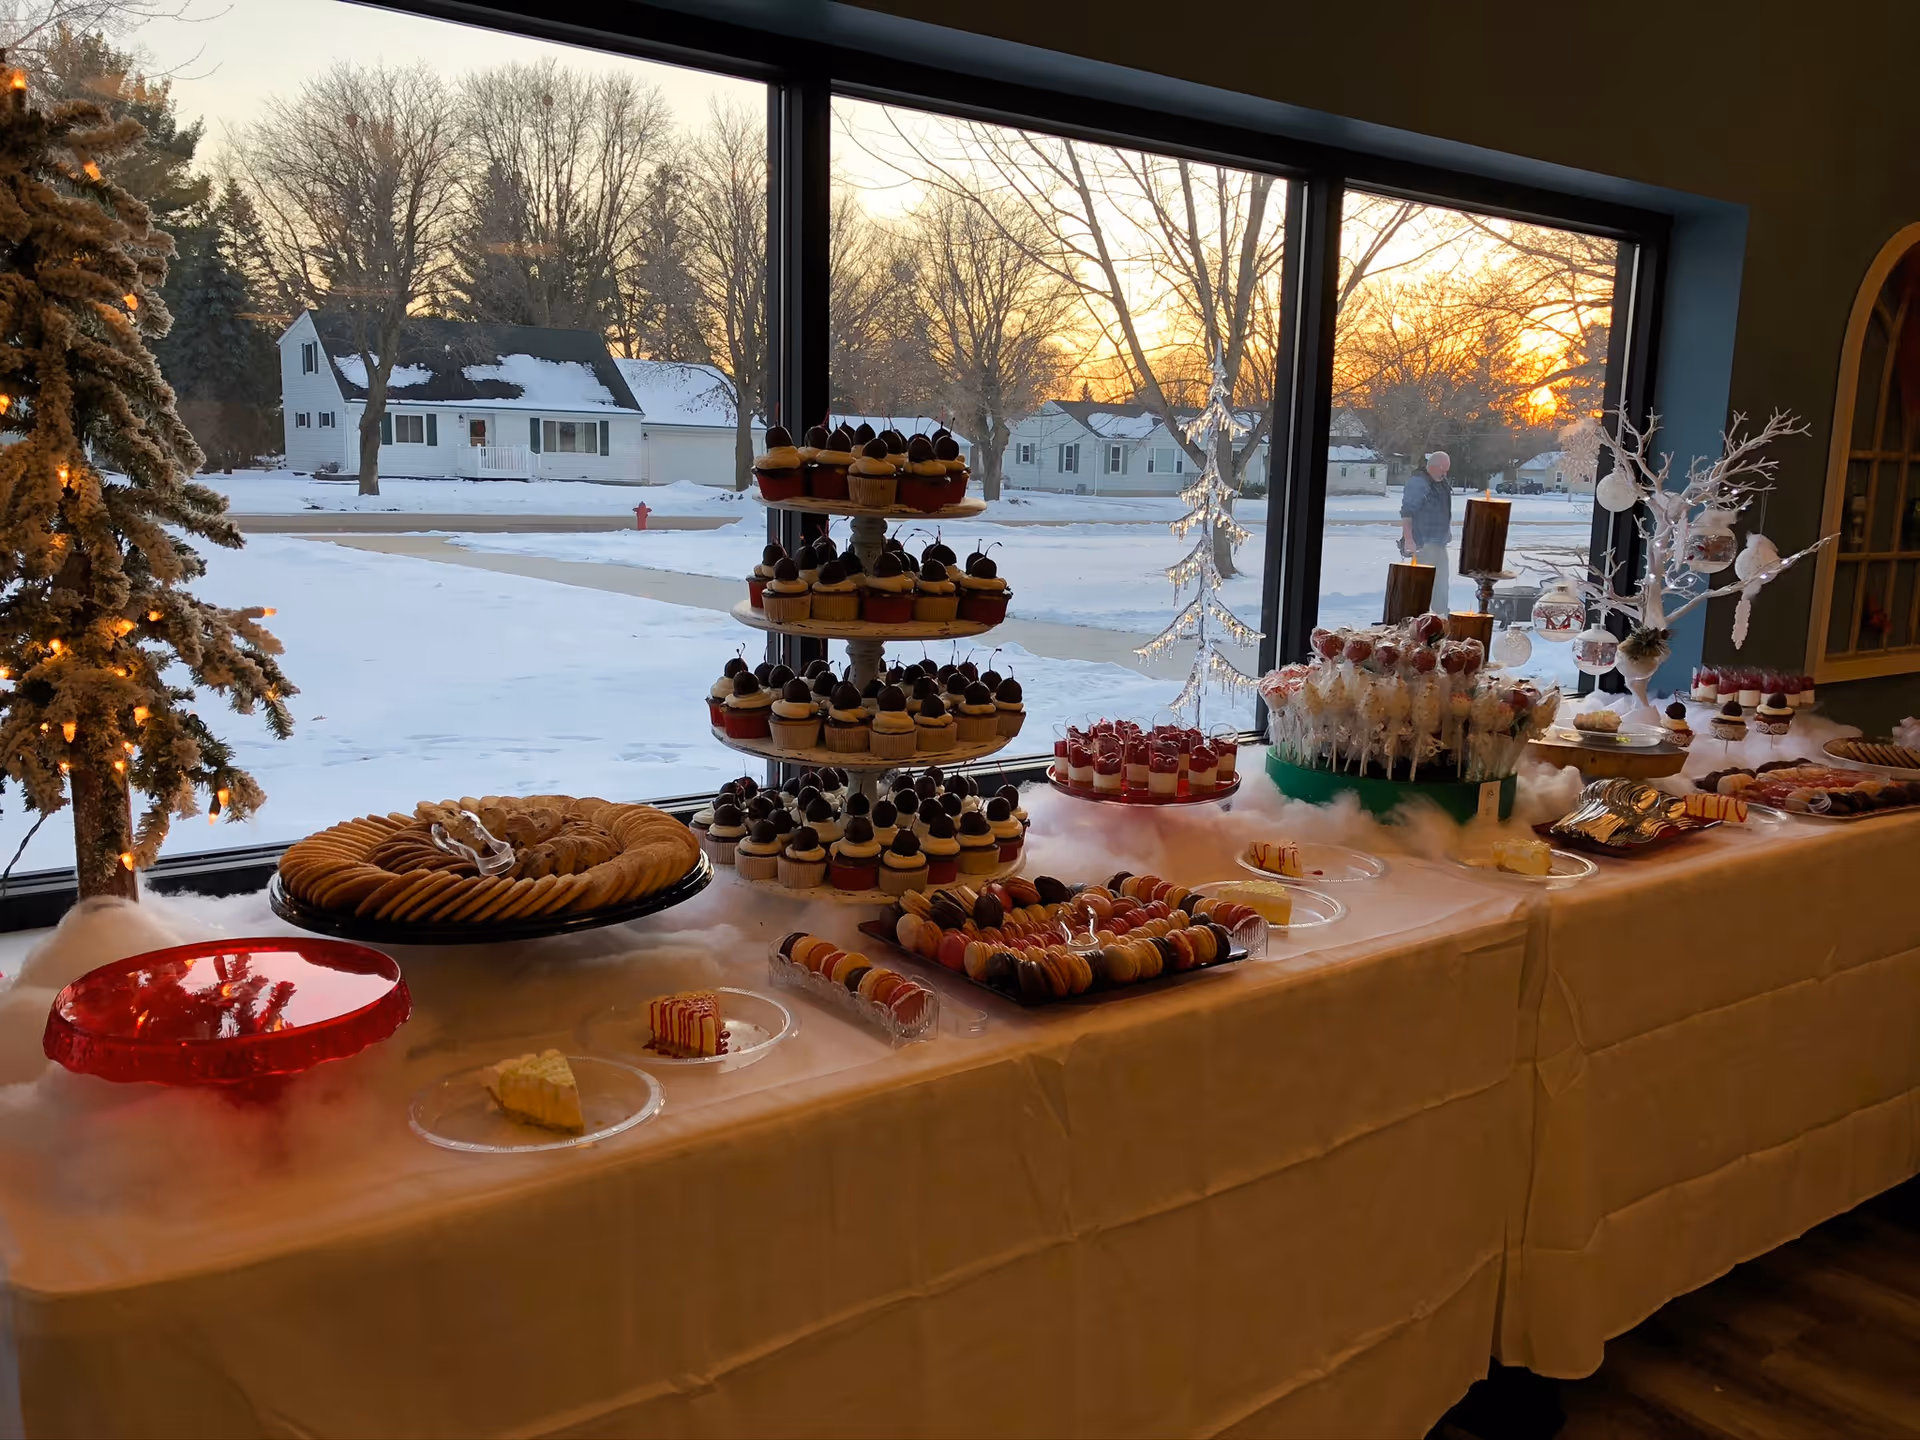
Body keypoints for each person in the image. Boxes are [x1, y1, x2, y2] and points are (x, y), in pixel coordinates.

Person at [1399, 449, 1453, 606]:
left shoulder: (1440, 482)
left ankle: (1441, 620)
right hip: (1422, 545)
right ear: (1434, 466)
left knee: (1442, 586)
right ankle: (1419, 622)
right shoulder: (1418, 482)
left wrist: (1447, 530)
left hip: (1439, 544)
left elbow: (1442, 509)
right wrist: (1409, 540)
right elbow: (1407, 513)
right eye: (1443, 470)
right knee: (1422, 588)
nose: (1445, 474)